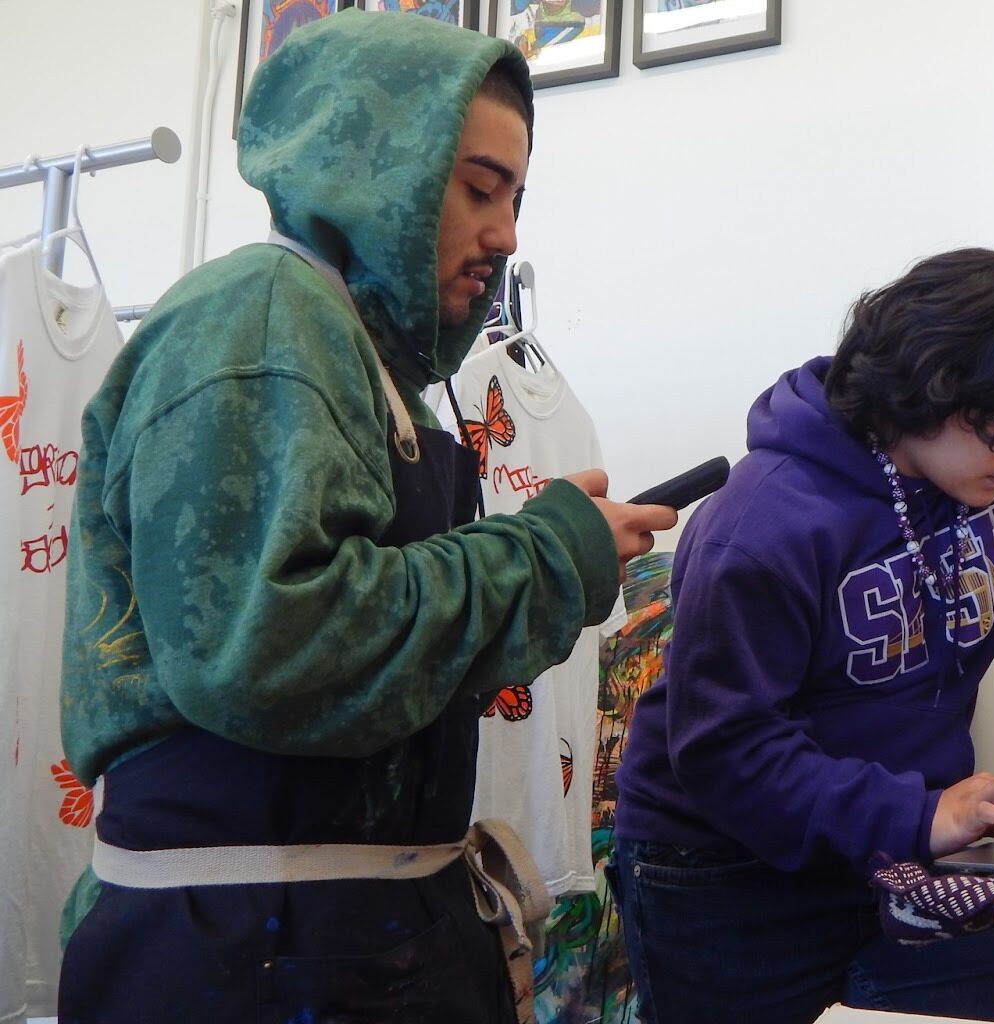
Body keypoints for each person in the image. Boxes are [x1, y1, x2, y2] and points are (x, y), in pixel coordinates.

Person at [55, 10, 674, 1021]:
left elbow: (384, 689)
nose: (506, 234)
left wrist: (553, 561)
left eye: (516, 197)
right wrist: (544, 557)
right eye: (478, 188)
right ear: (375, 166)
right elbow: (269, 648)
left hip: (354, 934)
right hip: (250, 953)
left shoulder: (376, 371)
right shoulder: (258, 320)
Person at [611, 247, 994, 1024]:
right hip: (724, 871)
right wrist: (918, 817)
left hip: (899, 847)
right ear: (930, 391)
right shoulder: (763, 523)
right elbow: (726, 749)